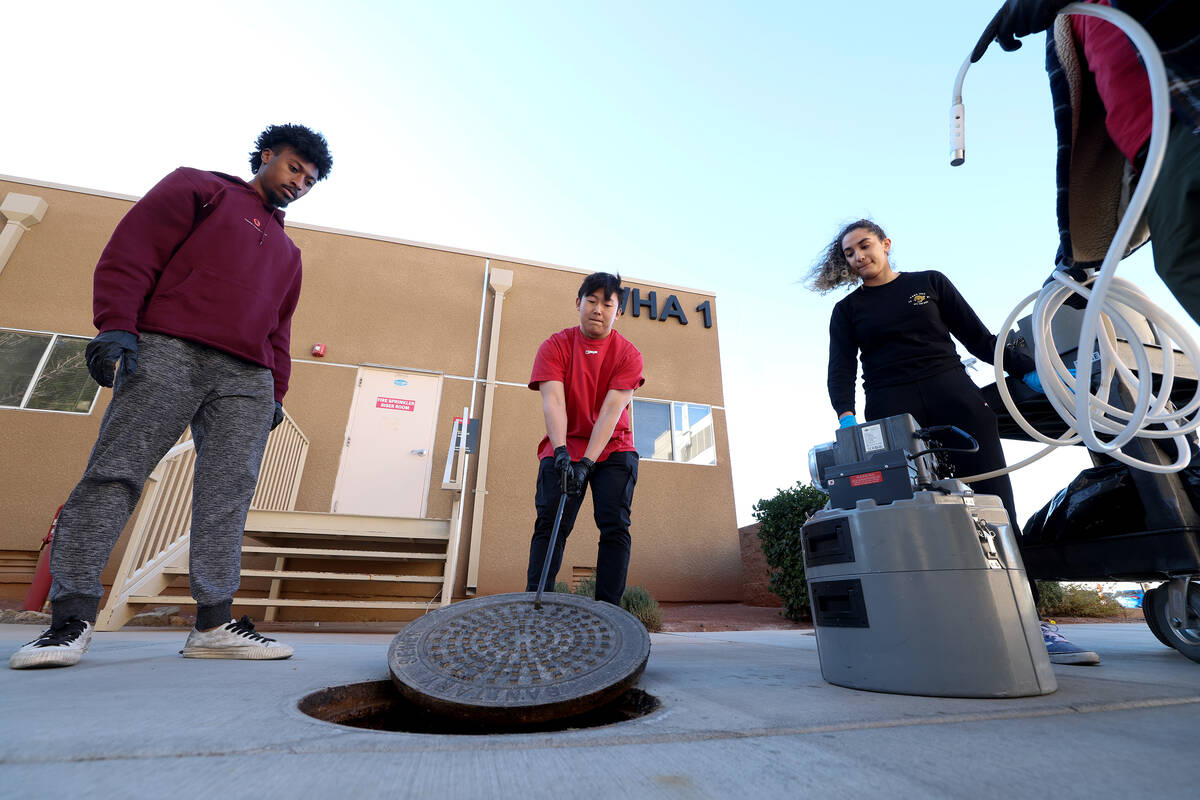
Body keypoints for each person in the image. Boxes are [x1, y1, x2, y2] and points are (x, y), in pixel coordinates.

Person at [10, 124, 333, 670]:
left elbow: (280, 328)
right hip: (169, 350)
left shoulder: (289, 252)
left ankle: (213, 624)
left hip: (247, 378)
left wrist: (275, 391)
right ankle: (69, 620)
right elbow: (133, 252)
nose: (300, 182)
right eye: (294, 168)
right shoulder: (198, 189)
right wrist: (116, 325)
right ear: (266, 156)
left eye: (311, 179)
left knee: (228, 493)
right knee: (116, 472)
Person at [811, 218, 1101, 665]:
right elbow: (841, 369)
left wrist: (1027, 369)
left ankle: (1031, 622)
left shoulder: (929, 283)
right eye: (849, 253)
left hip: (953, 394)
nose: (858, 257)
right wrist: (846, 417)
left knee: (995, 505)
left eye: (864, 246)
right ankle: (924, 623)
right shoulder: (848, 311)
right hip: (891, 407)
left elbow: (981, 339)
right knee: (905, 514)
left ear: (886, 244)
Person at [971, 0, 1200, 324]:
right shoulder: (1069, 20)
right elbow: (1088, 152)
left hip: (1189, 114)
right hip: (1153, 157)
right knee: (1181, 258)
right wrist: (1077, 261)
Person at [524, 272, 645, 605]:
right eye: (591, 301)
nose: (598, 309)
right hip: (565, 443)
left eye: (608, 304)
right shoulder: (555, 346)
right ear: (578, 303)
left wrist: (587, 462)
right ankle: (537, 605)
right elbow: (554, 402)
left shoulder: (628, 354)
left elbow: (610, 412)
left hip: (612, 447)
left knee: (614, 525)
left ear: (617, 311)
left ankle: (609, 611)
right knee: (550, 524)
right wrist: (562, 453)